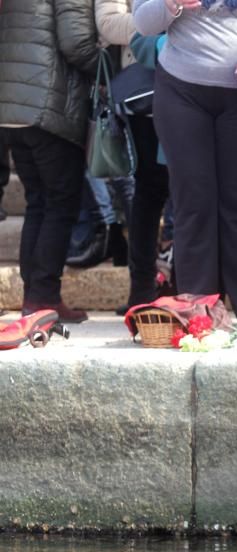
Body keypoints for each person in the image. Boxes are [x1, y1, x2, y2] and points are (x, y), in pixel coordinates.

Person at [134, 0, 237, 330]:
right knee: (193, 198)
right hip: (181, 91)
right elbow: (143, 23)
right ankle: (199, 303)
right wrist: (169, 5)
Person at [0, 0, 99, 323]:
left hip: (13, 106)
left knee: (38, 203)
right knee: (59, 204)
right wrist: (106, 67)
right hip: (50, 105)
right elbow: (76, 43)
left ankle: (35, 297)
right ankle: (43, 297)